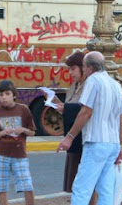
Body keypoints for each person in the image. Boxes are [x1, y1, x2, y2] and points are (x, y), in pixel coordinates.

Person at [56, 51, 122, 205]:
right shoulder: (116, 85)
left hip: (96, 141)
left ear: (90, 67)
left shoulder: (93, 81)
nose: (84, 70)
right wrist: (119, 145)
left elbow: (86, 112)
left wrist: (70, 136)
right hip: (112, 142)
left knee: (81, 188)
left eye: (84, 67)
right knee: (106, 190)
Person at [41, 51, 97, 205]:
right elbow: (71, 108)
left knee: (87, 182)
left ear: (83, 68)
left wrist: (67, 108)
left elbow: (85, 111)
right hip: (75, 138)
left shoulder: (90, 85)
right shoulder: (74, 86)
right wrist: (55, 102)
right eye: (69, 69)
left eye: (73, 69)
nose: (70, 73)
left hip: (84, 138)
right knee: (76, 180)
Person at [0, 80, 37, 205]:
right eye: (1, 95)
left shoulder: (23, 110)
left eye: (7, 94)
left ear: (14, 95)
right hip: (0, 155)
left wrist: (23, 130)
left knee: (27, 186)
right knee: (1, 188)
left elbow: (32, 132)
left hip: (20, 155)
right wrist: (3, 133)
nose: (4, 97)